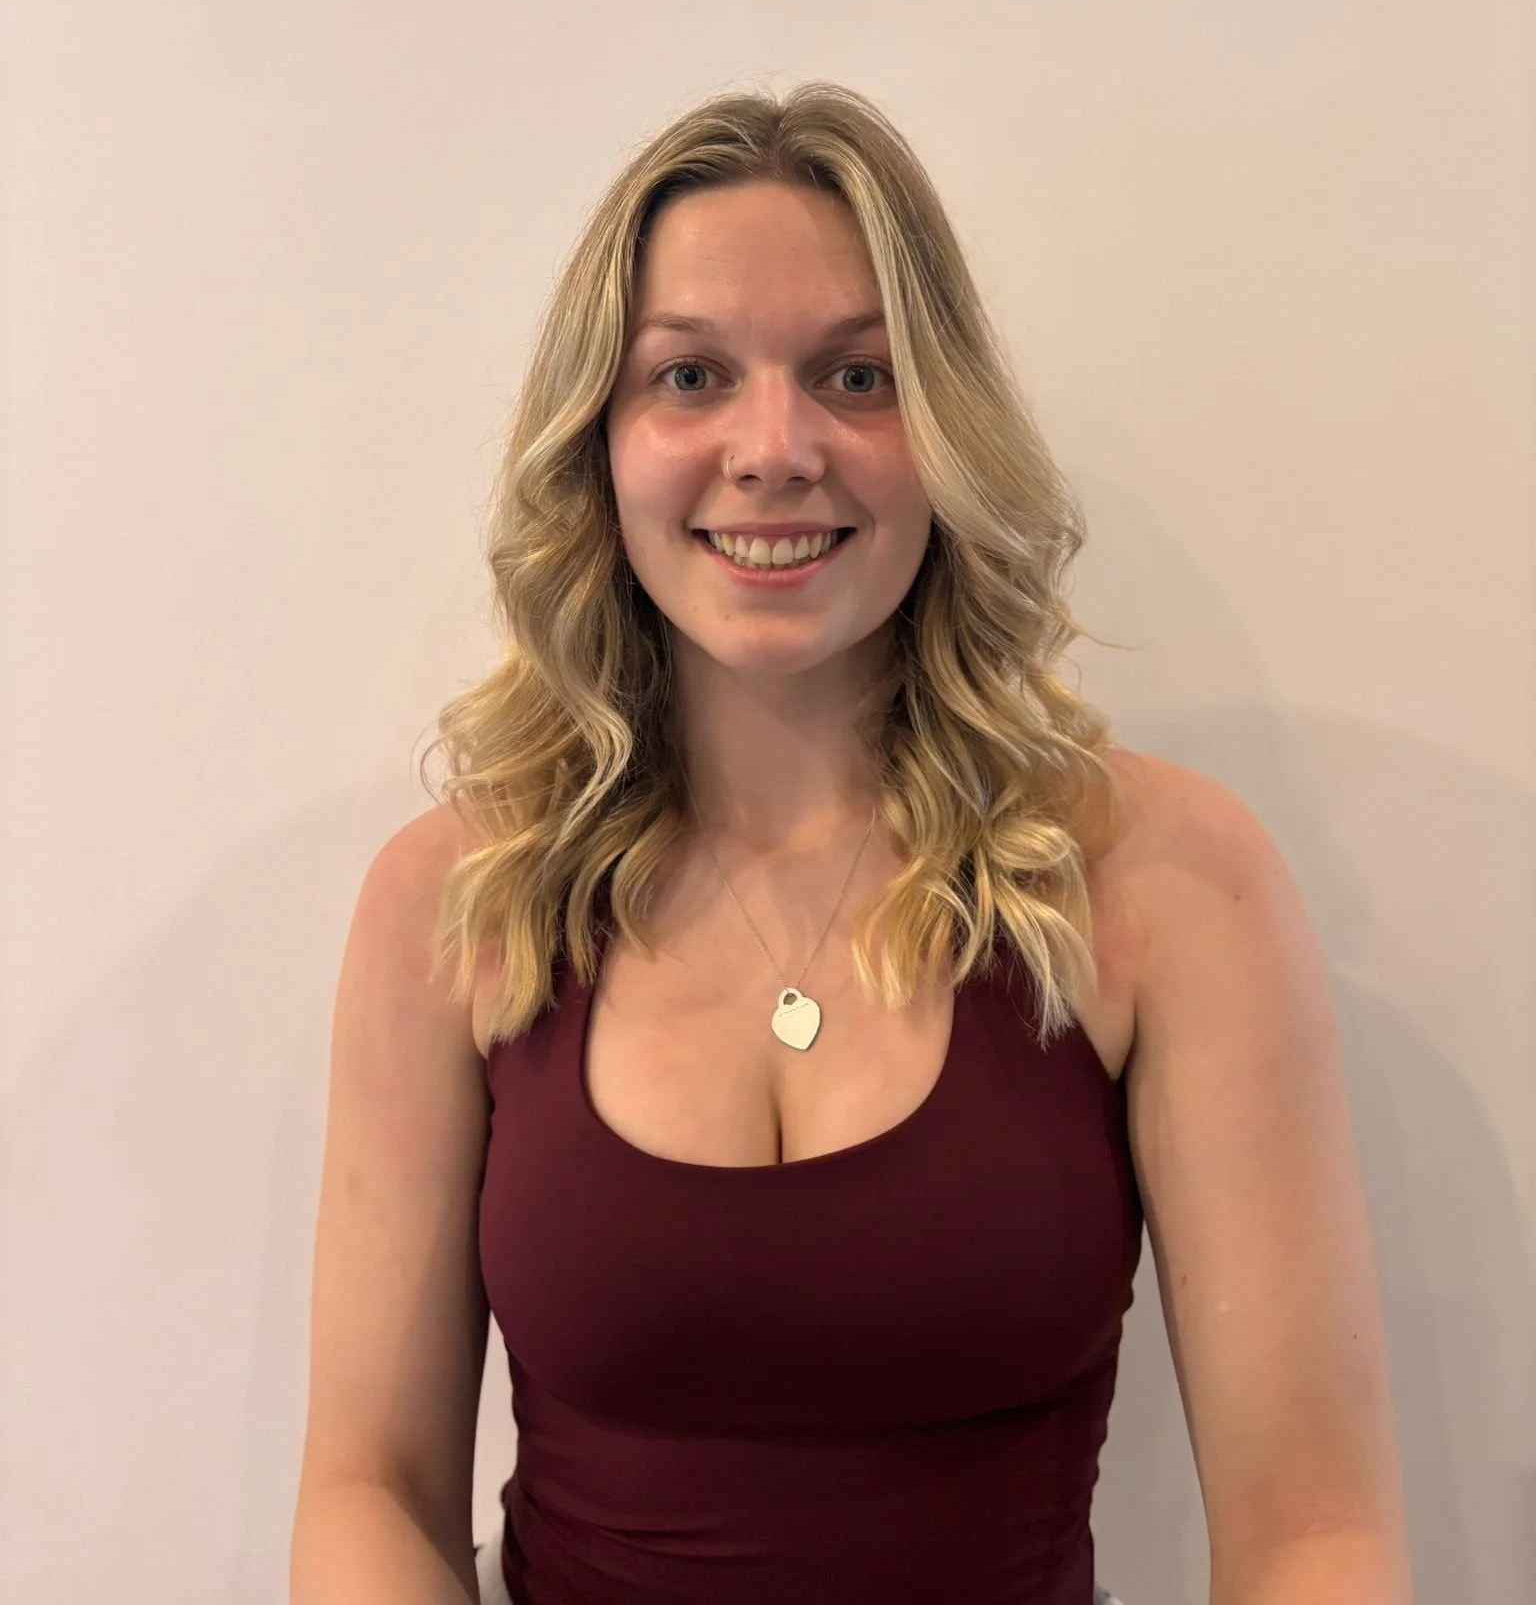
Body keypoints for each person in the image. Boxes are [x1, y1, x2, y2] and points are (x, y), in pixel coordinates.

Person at [289, 83, 1412, 1605]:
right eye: (689, 375)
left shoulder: (1164, 887)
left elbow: (1312, 1536)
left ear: (944, 430)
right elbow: (376, 1495)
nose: (775, 448)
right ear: (600, 443)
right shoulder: (458, 903)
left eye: (856, 376)